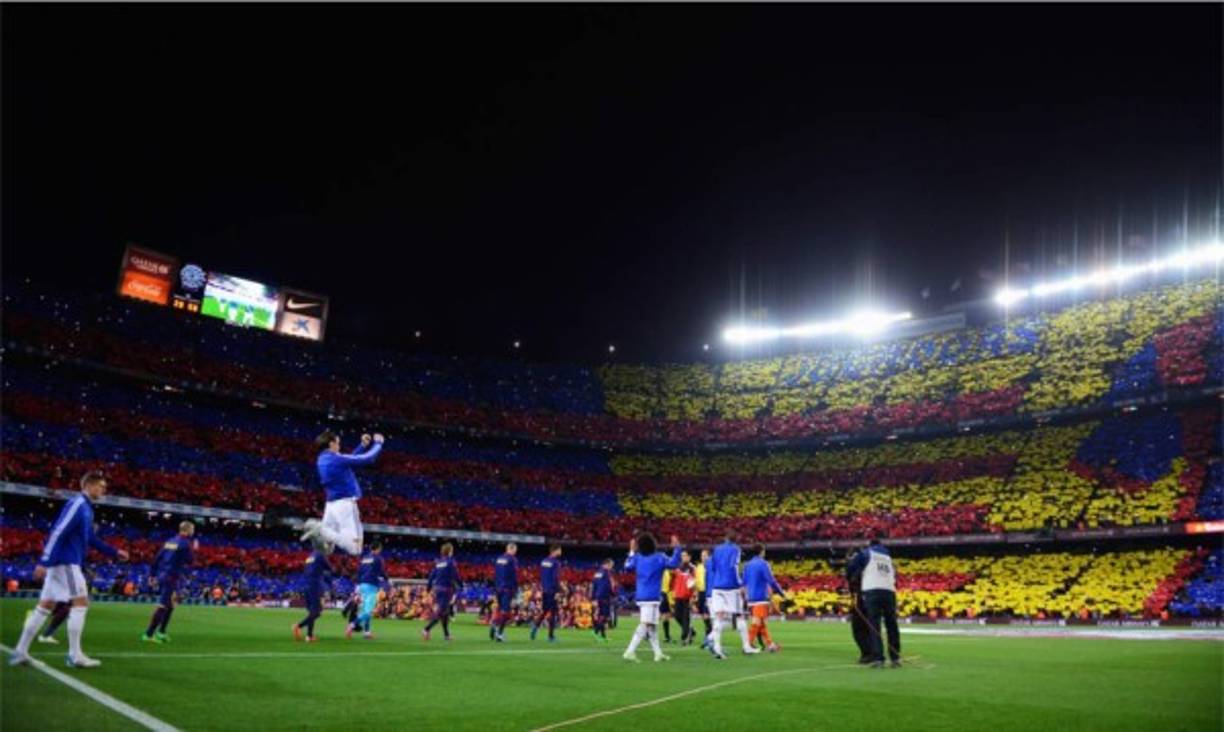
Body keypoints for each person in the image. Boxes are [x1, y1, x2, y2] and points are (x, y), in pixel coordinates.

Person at [9, 472, 130, 668]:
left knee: (44, 606)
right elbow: (58, 531)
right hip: (66, 563)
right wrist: (44, 561)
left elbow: (90, 538)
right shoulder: (78, 504)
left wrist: (114, 552)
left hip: (62, 564)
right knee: (81, 603)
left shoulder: (87, 509)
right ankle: (75, 655)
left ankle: (20, 651)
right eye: (101, 486)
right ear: (89, 485)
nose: (104, 490)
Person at [300, 431, 385, 556]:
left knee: (327, 549)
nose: (339, 446)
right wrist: (378, 443)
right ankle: (321, 529)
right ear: (331, 444)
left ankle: (322, 531)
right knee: (355, 549)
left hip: (331, 505)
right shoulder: (335, 458)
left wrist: (362, 446)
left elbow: (347, 462)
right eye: (338, 443)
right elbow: (368, 459)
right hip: (344, 504)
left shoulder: (322, 459)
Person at [622, 533, 682, 663]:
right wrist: (677, 548)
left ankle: (658, 654)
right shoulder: (659, 557)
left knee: (652, 626)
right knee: (646, 624)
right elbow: (674, 564)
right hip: (652, 596)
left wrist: (631, 551)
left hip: (643, 595)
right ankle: (629, 651)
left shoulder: (637, 558)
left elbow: (627, 566)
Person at [848, 538, 901, 668]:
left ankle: (879, 658)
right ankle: (895, 658)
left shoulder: (866, 553)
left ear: (870, 545)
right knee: (892, 625)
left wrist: (852, 575)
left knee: (874, 625)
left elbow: (851, 568)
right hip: (889, 591)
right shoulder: (888, 557)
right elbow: (894, 574)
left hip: (872, 591)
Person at [142, 521, 197, 643]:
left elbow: (157, 558)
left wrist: (152, 575)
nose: (193, 531)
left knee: (171, 605)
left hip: (163, 574)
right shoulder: (185, 544)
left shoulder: (170, 541)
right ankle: (149, 634)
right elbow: (191, 561)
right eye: (192, 529)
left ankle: (161, 632)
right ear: (187, 530)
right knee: (163, 605)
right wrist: (194, 551)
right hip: (172, 576)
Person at [704, 531, 755, 659]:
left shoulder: (717, 549)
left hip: (717, 587)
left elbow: (714, 567)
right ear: (735, 539)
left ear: (725, 538)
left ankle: (717, 647)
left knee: (719, 618)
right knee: (739, 616)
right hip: (731, 588)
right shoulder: (736, 549)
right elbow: (734, 567)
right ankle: (746, 646)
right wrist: (740, 583)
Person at [744, 544, 789, 653]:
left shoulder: (747, 565)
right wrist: (781, 593)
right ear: (762, 552)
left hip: (751, 597)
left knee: (762, 622)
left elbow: (744, 582)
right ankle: (747, 645)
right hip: (761, 597)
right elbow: (771, 581)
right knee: (757, 622)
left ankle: (770, 645)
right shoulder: (763, 564)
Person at [349, 541, 387, 639]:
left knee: (365, 609)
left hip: (362, 585)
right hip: (371, 585)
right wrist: (387, 579)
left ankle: (367, 632)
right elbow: (381, 572)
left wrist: (358, 584)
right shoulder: (378, 559)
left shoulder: (364, 558)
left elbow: (359, 572)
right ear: (378, 548)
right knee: (368, 611)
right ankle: (352, 625)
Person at [293, 547, 332, 642]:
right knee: (317, 612)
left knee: (313, 612)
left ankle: (309, 636)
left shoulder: (309, 557)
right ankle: (298, 626)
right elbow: (329, 568)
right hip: (315, 585)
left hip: (307, 585)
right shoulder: (320, 555)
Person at [423, 543, 460, 641]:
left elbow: (432, 576)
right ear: (450, 551)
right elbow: (455, 575)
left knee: (445, 613)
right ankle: (426, 629)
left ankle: (446, 635)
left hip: (437, 589)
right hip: (446, 590)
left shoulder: (438, 562)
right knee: (440, 613)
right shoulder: (451, 562)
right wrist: (461, 585)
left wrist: (428, 588)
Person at [844, 546, 874, 663]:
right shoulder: (869, 564)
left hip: (860, 598)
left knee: (858, 628)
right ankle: (874, 652)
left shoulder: (856, 565)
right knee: (869, 627)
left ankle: (867, 654)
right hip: (870, 597)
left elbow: (850, 577)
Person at [531, 546, 563, 643]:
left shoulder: (544, 561)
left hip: (545, 589)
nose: (561, 551)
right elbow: (555, 577)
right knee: (552, 613)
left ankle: (535, 627)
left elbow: (542, 575)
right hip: (552, 590)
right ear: (555, 551)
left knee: (545, 611)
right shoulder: (556, 562)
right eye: (559, 550)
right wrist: (557, 591)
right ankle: (551, 636)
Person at [490, 542, 519, 642]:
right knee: (505, 612)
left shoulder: (499, 559)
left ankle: (495, 624)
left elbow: (496, 574)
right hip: (507, 588)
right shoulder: (512, 559)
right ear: (512, 549)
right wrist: (515, 590)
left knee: (501, 610)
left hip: (498, 588)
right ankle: (500, 633)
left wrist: (495, 587)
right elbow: (514, 575)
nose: (516, 551)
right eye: (515, 549)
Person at [670, 552, 696, 645]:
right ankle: (690, 631)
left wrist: (693, 597)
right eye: (682, 556)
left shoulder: (692, 568)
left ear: (689, 557)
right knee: (677, 616)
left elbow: (693, 583)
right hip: (678, 596)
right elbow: (673, 580)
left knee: (686, 617)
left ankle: (684, 637)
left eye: (685, 556)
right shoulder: (677, 568)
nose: (683, 558)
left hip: (687, 597)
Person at [591, 558, 616, 643]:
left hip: (598, 597)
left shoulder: (597, 573)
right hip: (604, 597)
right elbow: (606, 586)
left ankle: (603, 636)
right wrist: (612, 594)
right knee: (604, 617)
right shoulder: (606, 573)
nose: (612, 567)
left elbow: (594, 586)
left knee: (602, 616)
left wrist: (594, 598)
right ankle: (595, 632)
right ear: (607, 564)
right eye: (611, 565)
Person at [695, 548, 712, 640]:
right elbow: (697, 580)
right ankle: (710, 632)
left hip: (708, 592)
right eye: (702, 556)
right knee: (702, 615)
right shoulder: (699, 567)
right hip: (701, 593)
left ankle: (708, 636)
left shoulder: (711, 566)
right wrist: (696, 593)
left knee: (707, 614)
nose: (703, 557)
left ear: (709, 557)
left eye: (705, 556)